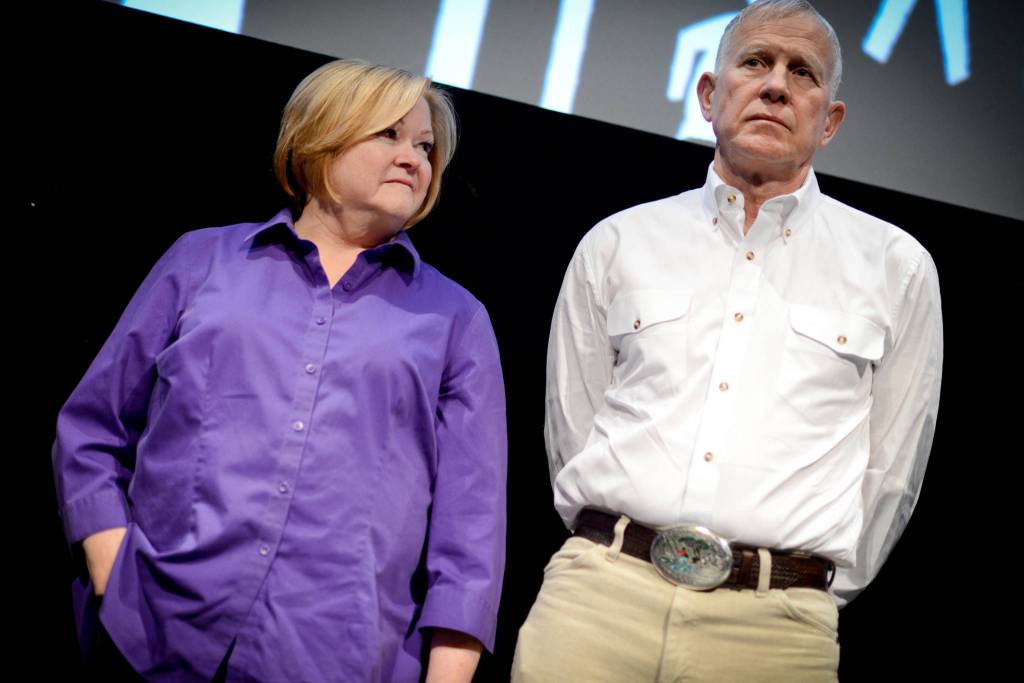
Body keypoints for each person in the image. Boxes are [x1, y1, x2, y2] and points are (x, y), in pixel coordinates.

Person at [513, 1, 942, 680]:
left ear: (829, 121)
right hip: (598, 601)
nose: (775, 84)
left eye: (802, 72)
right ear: (711, 95)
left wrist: (805, 594)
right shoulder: (620, 241)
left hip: (774, 630)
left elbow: (892, 467)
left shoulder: (895, 265)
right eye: (755, 62)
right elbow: (575, 423)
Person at [53, 59, 507, 683]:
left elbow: (472, 529)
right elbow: (93, 426)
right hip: (150, 634)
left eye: (425, 147)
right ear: (320, 138)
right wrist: (112, 565)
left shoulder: (456, 318)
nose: (414, 159)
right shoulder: (204, 259)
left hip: (332, 658)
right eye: (389, 135)